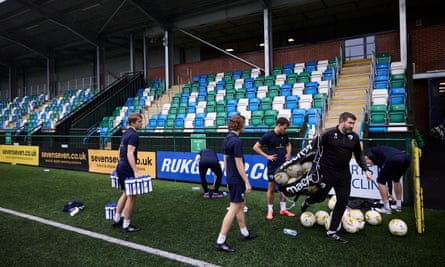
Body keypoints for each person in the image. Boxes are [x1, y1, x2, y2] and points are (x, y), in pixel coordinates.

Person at [300, 112, 372, 243]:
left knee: (343, 200)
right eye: (350, 122)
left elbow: (359, 155)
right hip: (327, 173)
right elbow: (312, 148)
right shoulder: (328, 134)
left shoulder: (354, 137)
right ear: (341, 121)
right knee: (320, 196)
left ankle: (332, 231)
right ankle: (308, 202)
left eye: (353, 123)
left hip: (344, 174)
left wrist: (366, 169)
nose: (352, 125)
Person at [214, 114, 257, 252]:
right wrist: (247, 182)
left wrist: (228, 176)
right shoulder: (237, 141)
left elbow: (226, 159)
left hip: (232, 177)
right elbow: (239, 163)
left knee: (240, 204)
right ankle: (220, 241)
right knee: (233, 208)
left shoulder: (227, 138)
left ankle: (245, 232)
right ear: (241, 125)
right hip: (237, 178)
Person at [253, 117, 295, 220]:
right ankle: (270, 210)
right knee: (271, 189)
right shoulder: (268, 135)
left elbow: (289, 144)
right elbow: (255, 147)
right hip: (273, 166)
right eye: (284, 128)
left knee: (283, 188)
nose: (285, 130)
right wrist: (267, 156)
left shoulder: (284, 135)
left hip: (283, 165)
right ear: (279, 125)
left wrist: (288, 154)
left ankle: (283, 209)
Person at [112, 113, 144, 233]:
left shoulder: (125, 133)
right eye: (139, 121)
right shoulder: (134, 135)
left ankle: (116, 219)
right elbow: (129, 153)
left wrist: (120, 164)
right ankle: (126, 225)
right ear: (133, 122)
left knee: (125, 193)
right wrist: (135, 171)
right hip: (127, 167)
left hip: (122, 166)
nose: (141, 123)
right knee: (132, 195)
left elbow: (119, 150)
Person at [363, 145, 410, 214]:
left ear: (366, 158)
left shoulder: (367, 152)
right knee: (396, 180)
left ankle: (387, 208)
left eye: (367, 163)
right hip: (405, 159)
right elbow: (388, 177)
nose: (369, 164)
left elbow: (383, 179)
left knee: (380, 181)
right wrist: (390, 193)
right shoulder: (379, 156)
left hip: (394, 159)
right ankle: (398, 206)